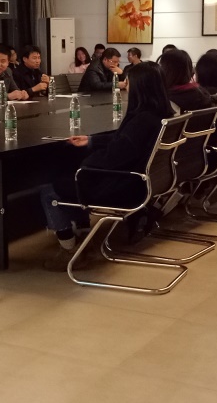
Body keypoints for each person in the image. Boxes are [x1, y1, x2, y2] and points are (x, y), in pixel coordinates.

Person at [39, 62, 174, 270]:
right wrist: (92, 141)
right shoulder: (159, 114)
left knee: (50, 191)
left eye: (129, 82)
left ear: (140, 87)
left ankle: (69, 250)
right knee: (74, 176)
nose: (126, 85)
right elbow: (124, 142)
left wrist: (86, 162)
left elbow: (115, 155)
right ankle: (86, 242)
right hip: (143, 181)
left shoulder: (141, 120)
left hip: (123, 186)